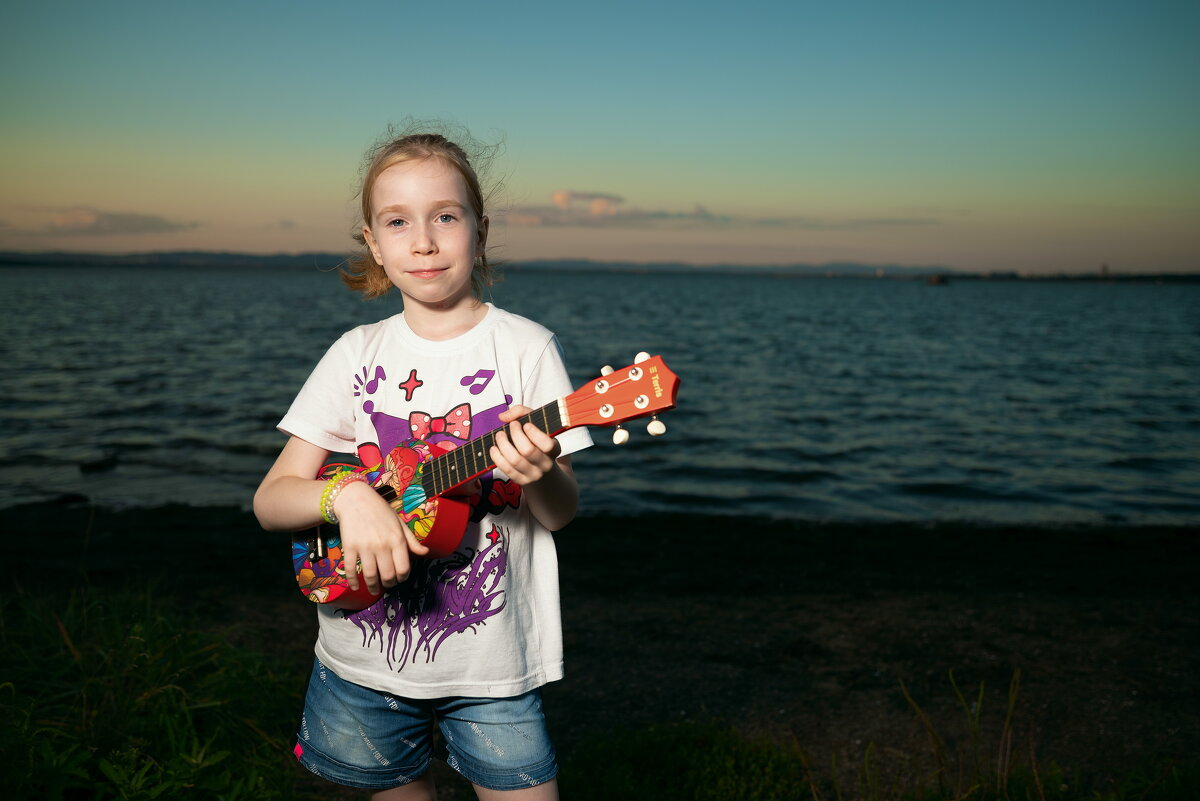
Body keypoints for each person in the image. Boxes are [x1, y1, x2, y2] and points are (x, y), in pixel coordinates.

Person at [254, 128, 591, 800]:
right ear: (374, 243)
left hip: (494, 667)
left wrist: (539, 472)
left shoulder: (525, 349)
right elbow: (271, 500)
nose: (424, 240)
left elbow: (560, 513)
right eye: (398, 221)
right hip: (360, 663)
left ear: (480, 229)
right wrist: (346, 497)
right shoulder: (355, 353)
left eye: (445, 216)